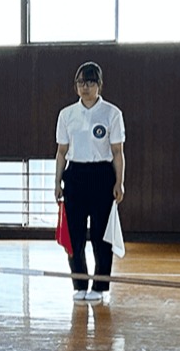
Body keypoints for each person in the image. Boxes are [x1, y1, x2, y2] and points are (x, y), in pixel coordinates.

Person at [54, 62, 126, 303]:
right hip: (75, 176)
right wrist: (57, 182)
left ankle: (100, 286)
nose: (85, 87)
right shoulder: (66, 114)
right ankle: (79, 284)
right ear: (76, 85)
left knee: (100, 236)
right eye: (81, 82)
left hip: (102, 176)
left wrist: (119, 182)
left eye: (90, 82)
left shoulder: (112, 113)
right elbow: (61, 152)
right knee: (75, 236)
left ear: (99, 85)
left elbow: (117, 152)